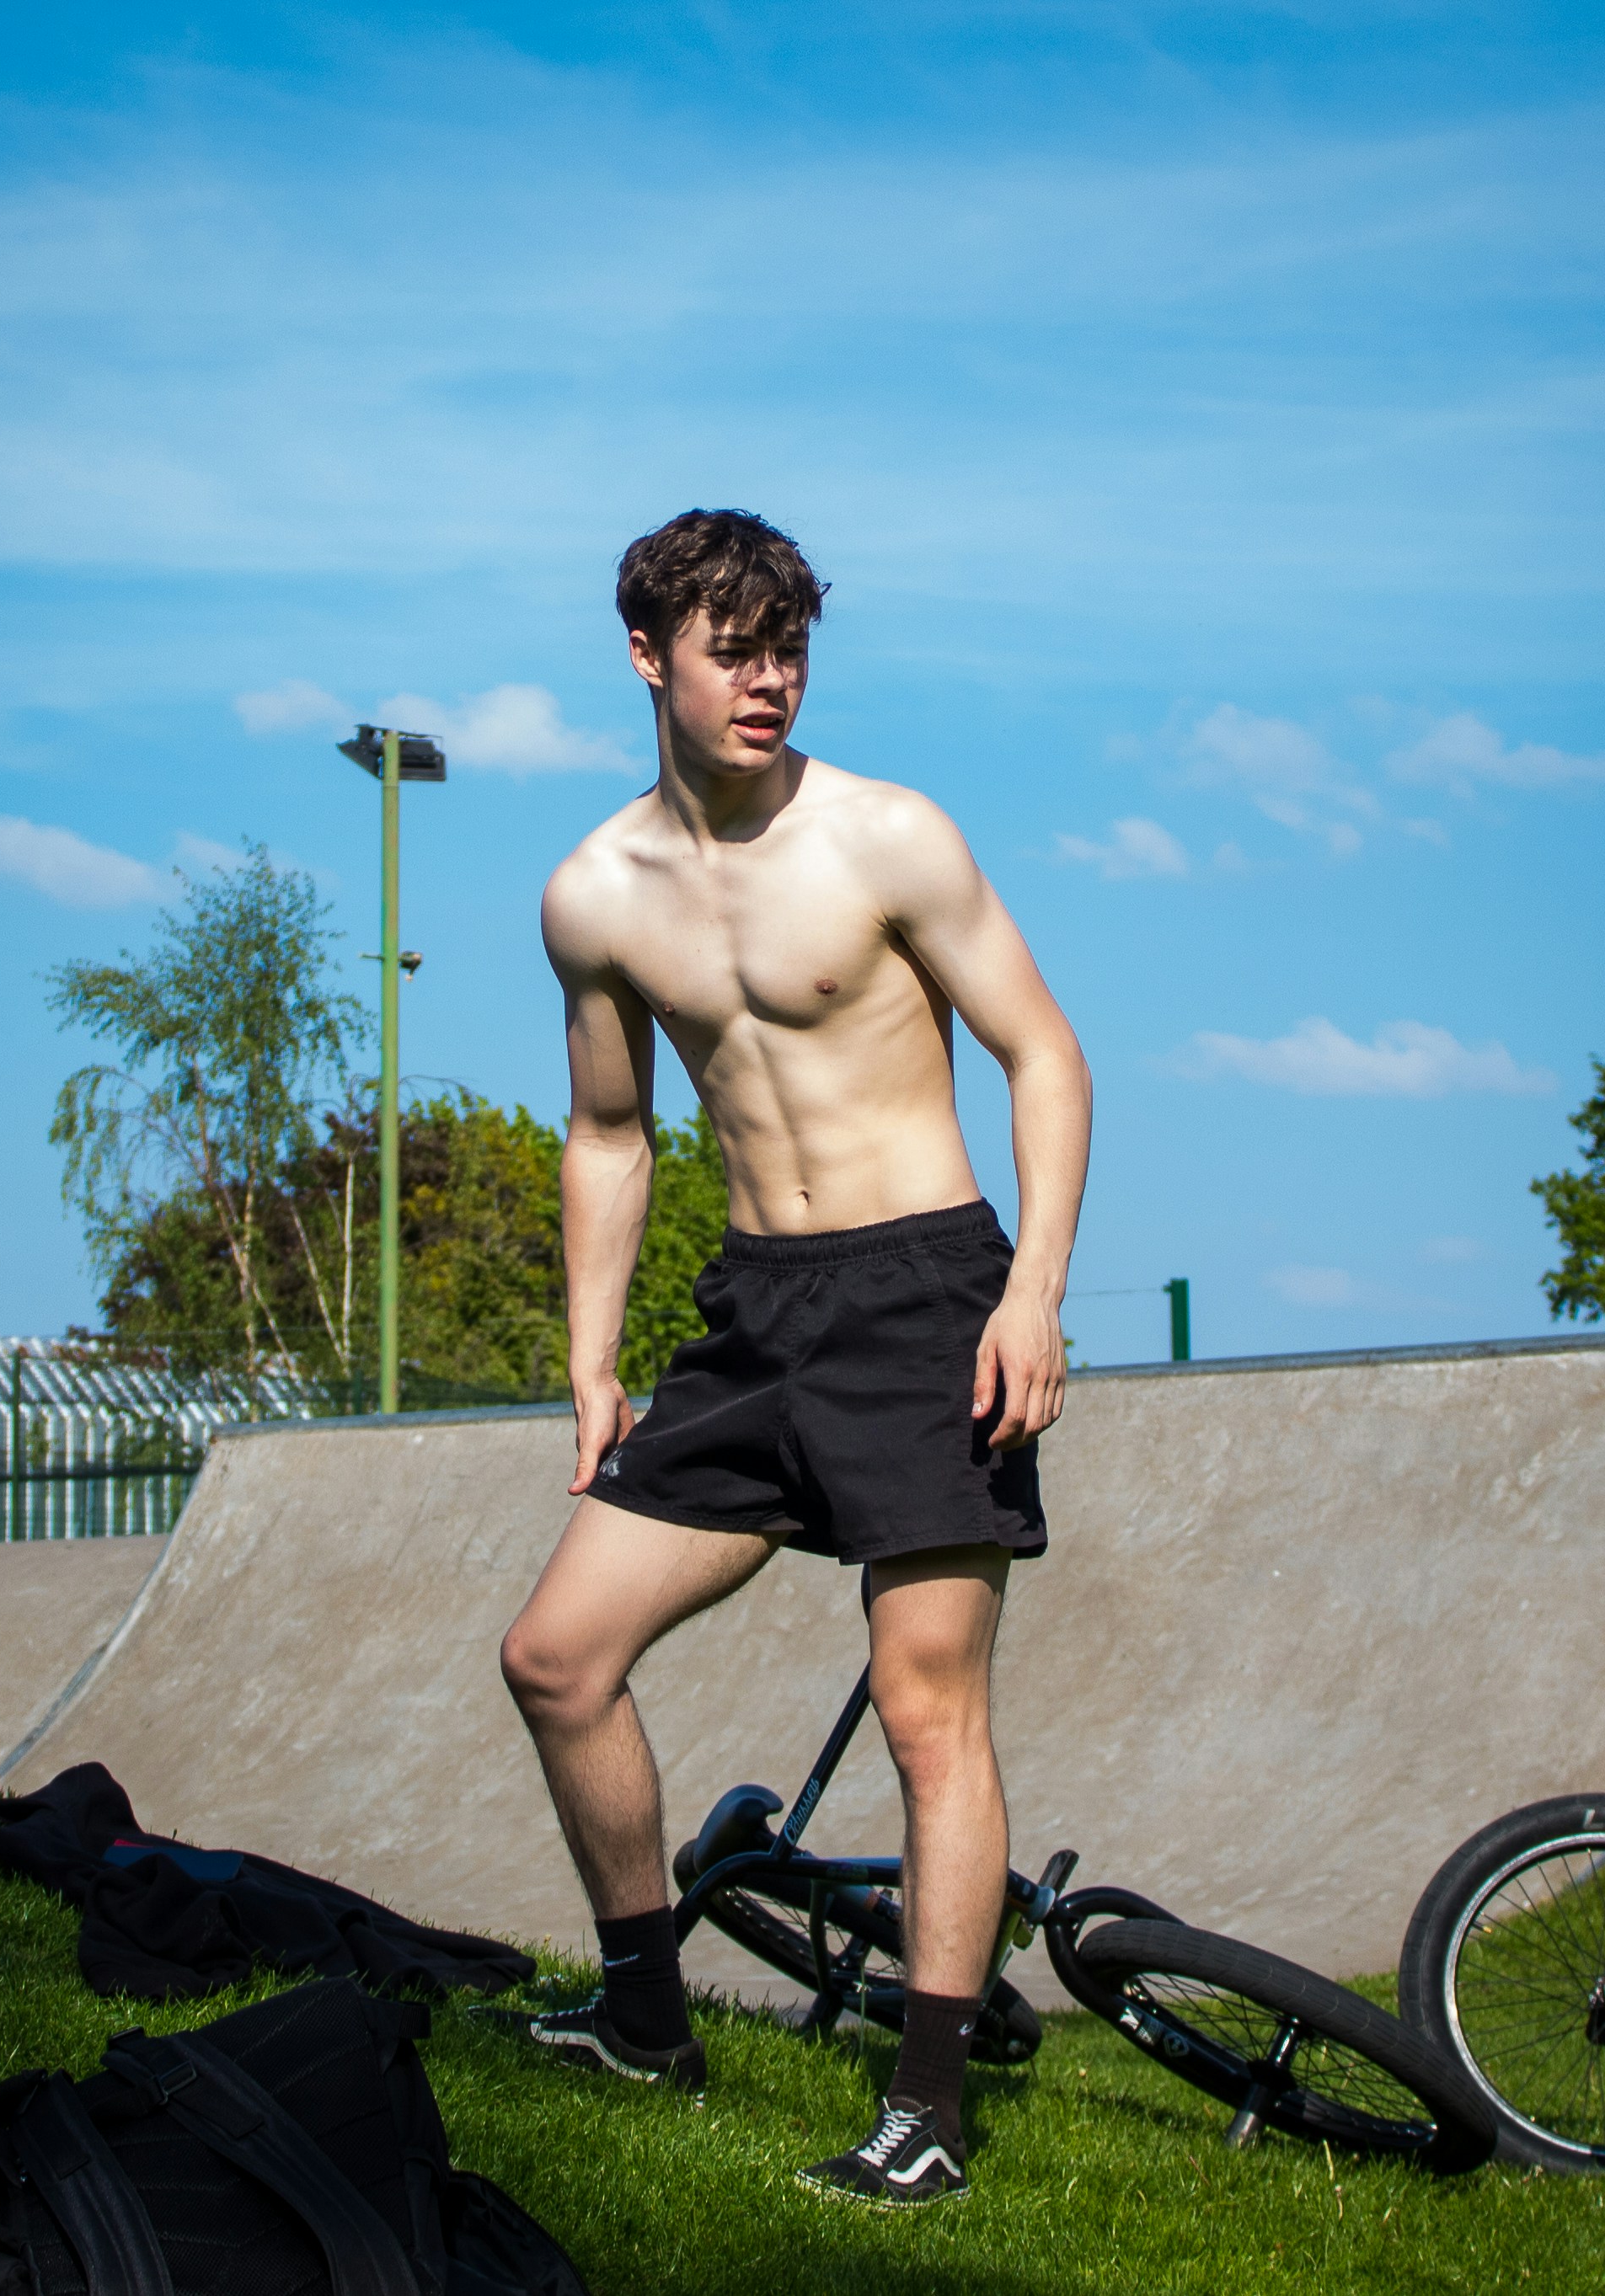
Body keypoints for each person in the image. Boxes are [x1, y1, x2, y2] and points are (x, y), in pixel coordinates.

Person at [499, 508, 1091, 2208]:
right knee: (555, 1655)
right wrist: (592, 1363)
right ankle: (641, 2016)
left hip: (925, 1300)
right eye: (732, 649)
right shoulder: (594, 892)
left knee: (926, 1706)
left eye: (790, 651)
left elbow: (1044, 1055)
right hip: (752, 1313)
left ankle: (926, 2108)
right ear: (645, 654)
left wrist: (1031, 1287)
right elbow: (607, 1131)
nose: (767, 682)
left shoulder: (889, 836)